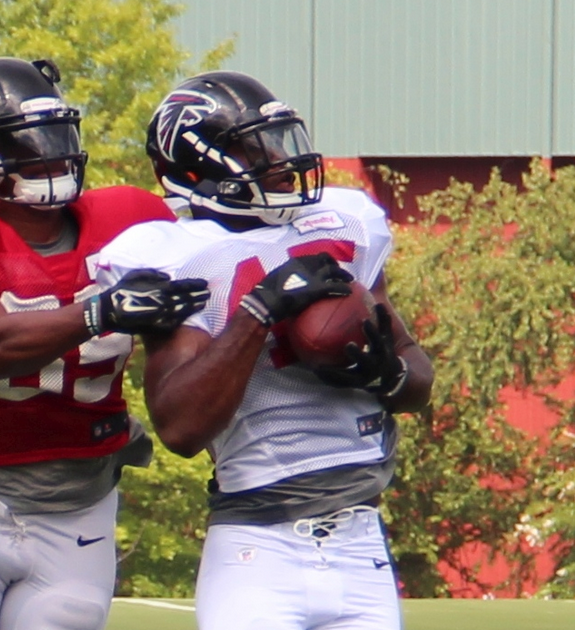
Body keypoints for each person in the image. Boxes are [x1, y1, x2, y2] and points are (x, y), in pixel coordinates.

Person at [94, 71, 435, 630]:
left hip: (361, 542)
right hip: (258, 550)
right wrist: (259, 312)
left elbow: (418, 379)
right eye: (251, 148)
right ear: (194, 168)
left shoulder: (344, 222)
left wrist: (388, 375)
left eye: (278, 141)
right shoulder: (179, 257)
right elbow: (180, 429)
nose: (278, 160)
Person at [0, 57, 209, 630]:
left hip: (79, 511)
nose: (50, 154)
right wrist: (99, 312)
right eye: (27, 143)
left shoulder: (132, 219)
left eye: (58, 135)